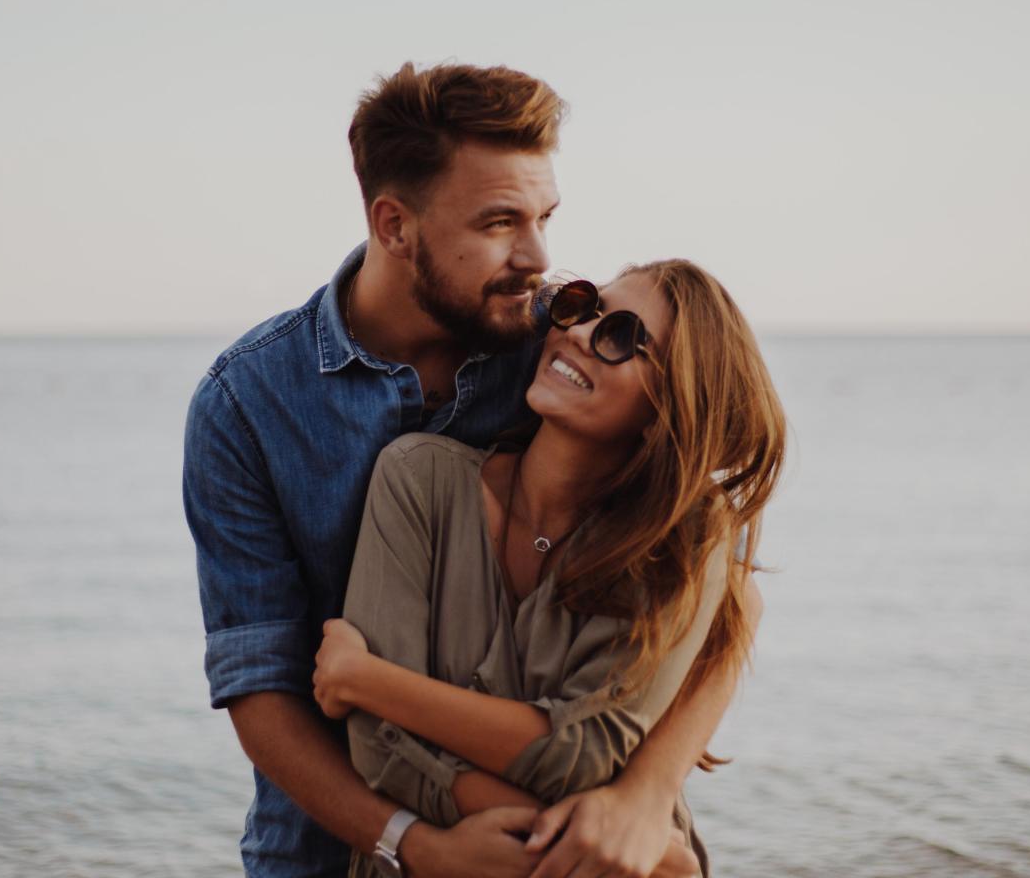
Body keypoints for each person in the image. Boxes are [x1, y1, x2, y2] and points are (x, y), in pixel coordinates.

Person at [184, 62, 756, 878]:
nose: (538, 257)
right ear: (394, 226)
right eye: (498, 223)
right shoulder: (247, 404)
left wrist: (641, 797)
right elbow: (261, 690)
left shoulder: (561, 343)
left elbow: (722, 595)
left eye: (544, 217)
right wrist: (414, 844)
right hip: (329, 848)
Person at [311, 262, 786, 877]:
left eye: (621, 337)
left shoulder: (678, 545)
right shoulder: (418, 480)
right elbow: (378, 749)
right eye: (584, 305)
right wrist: (604, 837)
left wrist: (367, 681)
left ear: (666, 407)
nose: (582, 333)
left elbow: (581, 750)